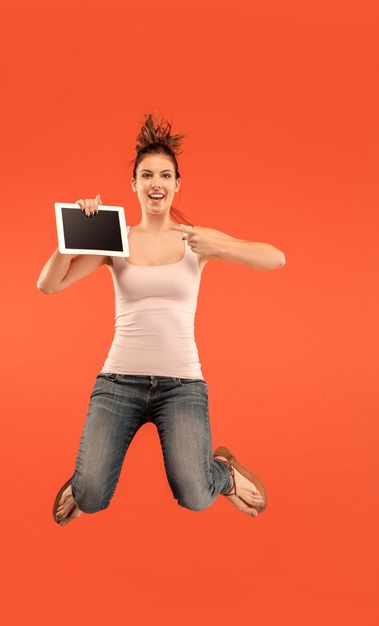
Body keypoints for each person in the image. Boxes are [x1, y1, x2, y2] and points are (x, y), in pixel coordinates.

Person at [37, 113, 286, 527]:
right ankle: (85, 485)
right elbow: (49, 285)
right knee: (93, 497)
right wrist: (75, 232)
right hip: (119, 383)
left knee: (195, 495)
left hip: (182, 386)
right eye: (147, 174)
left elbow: (276, 259)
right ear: (133, 184)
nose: (156, 183)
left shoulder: (196, 240)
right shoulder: (114, 238)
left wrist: (220, 242)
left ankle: (223, 473)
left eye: (165, 175)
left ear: (177, 185)